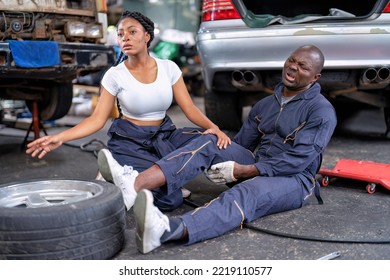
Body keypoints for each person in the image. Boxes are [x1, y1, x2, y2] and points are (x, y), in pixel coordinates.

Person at [100, 44, 337, 254]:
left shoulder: (320, 111)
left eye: (303, 67)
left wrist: (244, 171)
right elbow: (241, 145)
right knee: (212, 140)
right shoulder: (265, 105)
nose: (293, 67)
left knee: (246, 194)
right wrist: (223, 148)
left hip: (294, 179)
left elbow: (298, 160)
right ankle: (134, 185)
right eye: (292, 61)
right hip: (254, 165)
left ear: (315, 77)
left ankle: (166, 231)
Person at [25, 11, 231, 212]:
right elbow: (97, 119)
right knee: (171, 201)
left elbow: (190, 108)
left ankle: (156, 178)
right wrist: (61, 137)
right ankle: (122, 172)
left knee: (208, 141)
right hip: (131, 142)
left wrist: (215, 129)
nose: (126, 38)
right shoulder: (115, 75)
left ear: (147, 36)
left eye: (132, 32)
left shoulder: (169, 68)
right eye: (121, 34)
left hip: (163, 136)